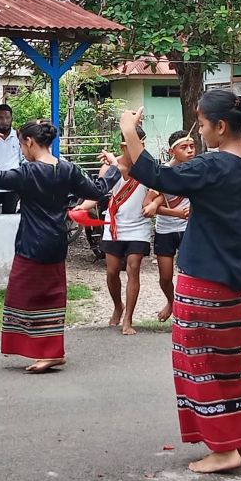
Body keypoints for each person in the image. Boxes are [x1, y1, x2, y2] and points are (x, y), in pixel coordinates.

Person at [117, 91, 241, 474]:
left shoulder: (212, 166)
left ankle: (223, 449)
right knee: (231, 362)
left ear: (221, 126)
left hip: (203, 281)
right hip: (238, 281)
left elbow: (156, 175)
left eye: (201, 121)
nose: (199, 130)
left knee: (200, 363)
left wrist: (131, 131)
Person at [0, 120, 105, 373]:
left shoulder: (28, 172)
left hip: (32, 243)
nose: (22, 150)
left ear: (30, 142)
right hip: (56, 241)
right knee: (52, 297)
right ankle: (51, 351)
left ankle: (51, 352)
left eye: (22, 144)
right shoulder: (67, 169)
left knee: (23, 296)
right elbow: (97, 191)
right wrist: (106, 171)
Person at [98, 124, 154, 335]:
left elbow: (159, 190)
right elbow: (97, 191)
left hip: (139, 226)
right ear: (123, 145)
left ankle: (128, 319)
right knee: (112, 271)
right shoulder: (109, 168)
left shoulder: (148, 168)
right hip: (114, 226)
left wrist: (153, 204)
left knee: (133, 267)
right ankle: (117, 306)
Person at [143, 130, 196, 323]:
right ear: (171, 151)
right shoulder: (163, 172)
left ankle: (187, 309)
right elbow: (148, 204)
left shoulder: (199, 168)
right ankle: (171, 302)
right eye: (184, 147)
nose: (190, 151)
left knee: (188, 273)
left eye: (192, 146)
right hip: (165, 229)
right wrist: (174, 213)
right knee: (165, 276)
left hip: (189, 229)